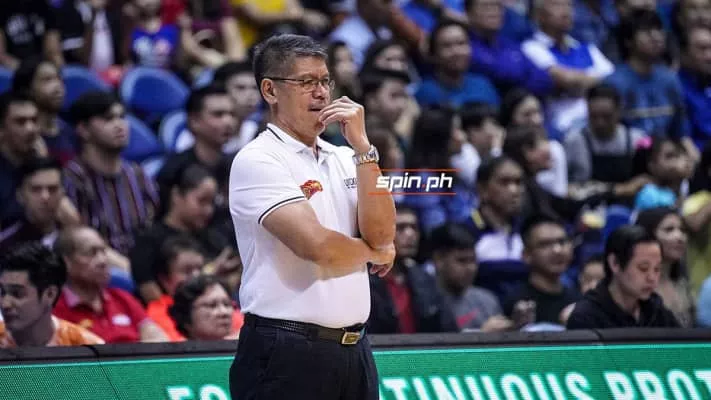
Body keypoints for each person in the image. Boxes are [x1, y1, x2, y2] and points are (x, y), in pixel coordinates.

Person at [227, 34, 396, 399]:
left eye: (324, 81)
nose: (321, 93)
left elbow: (384, 234)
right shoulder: (258, 159)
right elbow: (317, 247)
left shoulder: (345, 157)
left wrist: (364, 149)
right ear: (270, 90)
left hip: (355, 350)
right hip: (285, 350)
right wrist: (373, 253)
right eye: (306, 82)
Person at [566, 225, 681, 329]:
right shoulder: (586, 317)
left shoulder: (657, 311)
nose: (652, 278)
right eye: (643, 268)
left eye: (657, 269)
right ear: (615, 263)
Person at [0, 241, 104, 348]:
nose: (5, 304)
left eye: (17, 294)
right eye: (2, 292)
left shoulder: (86, 347)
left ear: (50, 294)